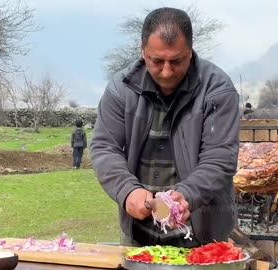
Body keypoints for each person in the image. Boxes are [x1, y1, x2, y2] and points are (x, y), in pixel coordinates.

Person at [90, 7, 240, 247]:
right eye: (157, 61)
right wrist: (127, 190)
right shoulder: (121, 89)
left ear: (190, 52)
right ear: (142, 50)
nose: (167, 71)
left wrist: (187, 195)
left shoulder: (217, 89)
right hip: (138, 232)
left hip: (202, 234)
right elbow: (104, 147)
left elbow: (220, 157)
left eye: (176, 61)